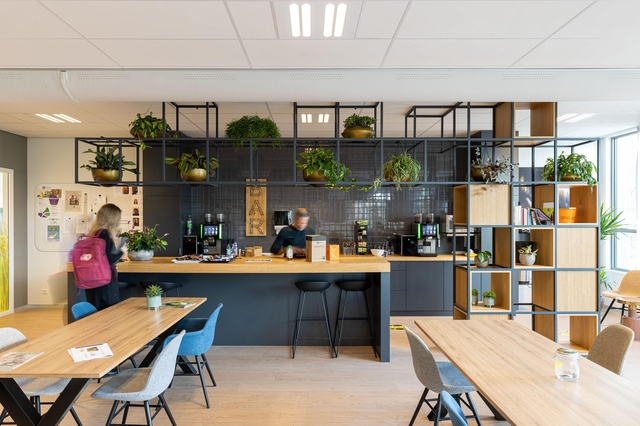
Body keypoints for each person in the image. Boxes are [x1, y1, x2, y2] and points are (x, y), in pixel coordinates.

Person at [85, 203, 124, 310]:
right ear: (111, 217)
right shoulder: (104, 234)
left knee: (96, 309)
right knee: (108, 310)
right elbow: (107, 260)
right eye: (118, 217)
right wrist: (122, 251)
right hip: (104, 280)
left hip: (93, 278)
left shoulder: (94, 233)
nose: (119, 221)